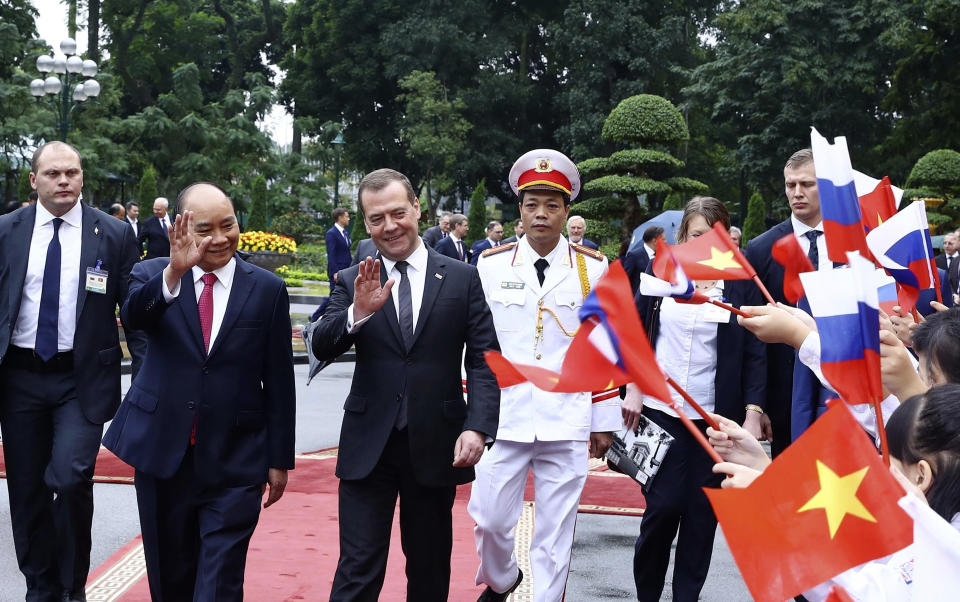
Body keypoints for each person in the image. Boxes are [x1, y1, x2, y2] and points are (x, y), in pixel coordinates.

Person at [311, 168, 500, 601]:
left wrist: (478, 425)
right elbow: (322, 343)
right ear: (365, 222)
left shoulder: (461, 277)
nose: (389, 226)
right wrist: (356, 314)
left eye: (398, 213)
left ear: (417, 208)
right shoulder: (353, 278)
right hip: (368, 446)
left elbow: (486, 360)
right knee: (357, 570)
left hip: (436, 444)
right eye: (376, 218)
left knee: (430, 569)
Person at [102, 182, 296, 601]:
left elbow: (279, 378)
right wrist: (175, 271)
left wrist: (279, 459)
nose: (220, 238)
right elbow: (135, 318)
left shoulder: (266, 289)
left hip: (235, 459)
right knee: (170, 580)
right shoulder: (154, 274)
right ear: (182, 228)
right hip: (162, 454)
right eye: (206, 229)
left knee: (219, 584)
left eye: (229, 225)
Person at [470, 149, 619, 602]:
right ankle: (501, 579)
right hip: (505, 417)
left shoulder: (593, 270)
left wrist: (603, 419)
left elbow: (604, 346)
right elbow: (475, 345)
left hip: (566, 417)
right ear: (520, 209)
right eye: (532, 204)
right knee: (490, 520)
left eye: (551, 205)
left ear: (567, 210)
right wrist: (470, 417)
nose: (541, 214)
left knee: (555, 538)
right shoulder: (491, 266)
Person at [0, 141, 139, 601]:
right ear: (34, 180)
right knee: (26, 489)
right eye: (54, 173)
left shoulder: (114, 235)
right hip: (18, 377)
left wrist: (147, 375)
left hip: (80, 380)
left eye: (72, 173)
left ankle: (72, 586)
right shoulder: (7, 231)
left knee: (72, 475)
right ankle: (40, 586)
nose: (64, 181)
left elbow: (131, 310)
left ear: (82, 178)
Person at [626, 195, 766, 602]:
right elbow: (633, 336)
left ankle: (686, 596)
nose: (704, 242)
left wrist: (753, 412)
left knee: (702, 517)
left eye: (713, 235)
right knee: (662, 509)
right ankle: (647, 594)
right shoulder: (659, 278)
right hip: (661, 411)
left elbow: (756, 353)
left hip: (714, 421)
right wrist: (633, 386)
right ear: (683, 236)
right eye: (696, 234)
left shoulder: (739, 285)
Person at [744, 148, 828, 455]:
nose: (797, 193)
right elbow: (751, 334)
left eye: (807, 184)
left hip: (841, 387)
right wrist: (757, 404)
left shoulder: (852, 243)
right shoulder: (761, 248)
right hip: (784, 393)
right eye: (791, 185)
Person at [623, 225, 664, 294]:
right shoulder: (634, 255)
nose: (665, 242)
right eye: (663, 239)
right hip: (638, 300)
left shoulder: (662, 256)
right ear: (655, 241)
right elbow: (624, 279)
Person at [326, 207, 352, 283]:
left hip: (346, 271)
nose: (349, 219)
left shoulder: (345, 233)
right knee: (336, 293)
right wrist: (335, 272)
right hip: (337, 273)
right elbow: (331, 254)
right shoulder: (331, 233)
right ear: (340, 218)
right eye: (347, 216)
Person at [935, 230, 959, 298]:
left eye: (950, 243)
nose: (946, 246)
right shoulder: (936, 260)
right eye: (945, 243)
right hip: (942, 296)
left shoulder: (958, 260)